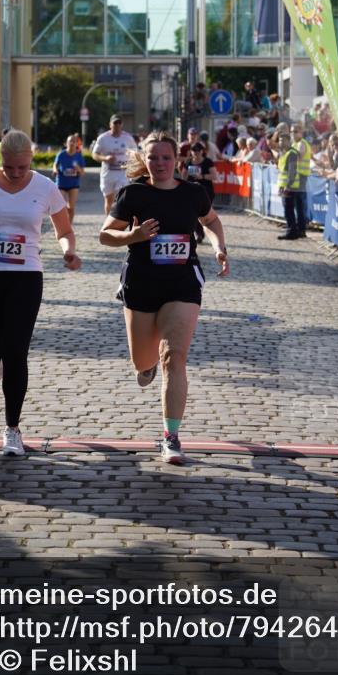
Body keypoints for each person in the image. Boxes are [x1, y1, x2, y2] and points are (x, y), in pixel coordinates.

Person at [0, 129, 82, 456]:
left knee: (16, 352)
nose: (17, 174)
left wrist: (68, 251)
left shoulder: (45, 187)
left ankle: (12, 429)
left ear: (31, 161)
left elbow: (64, 230)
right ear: (1, 160)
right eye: (10, 168)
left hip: (25, 277)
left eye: (23, 168)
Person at [99, 131, 229, 466]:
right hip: (142, 283)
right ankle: (147, 365)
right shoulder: (133, 194)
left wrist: (218, 246)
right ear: (145, 159)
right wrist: (134, 235)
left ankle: (171, 437)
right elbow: (105, 234)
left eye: (166, 158)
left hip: (182, 282)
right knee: (143, 361)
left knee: (175, 356)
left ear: (177, 160)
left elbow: (211, 220)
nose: (159, 163)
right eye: (153, 157)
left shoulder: (192, 193)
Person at [91, 115, 137, 215]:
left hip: (122, 173)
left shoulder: (128, 138)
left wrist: (131, 163)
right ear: (110, 124)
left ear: (122, 124)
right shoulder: (103, 138)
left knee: (120, 198)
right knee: (109, 199)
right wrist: (105, 158)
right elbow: (94, 154)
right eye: (115, 123)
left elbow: (135, 153)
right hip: (108, 173)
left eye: (119, 123)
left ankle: (118, 219)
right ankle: (109, 221)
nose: (117, 125)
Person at [277, 132, 307, 240]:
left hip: (291, 187)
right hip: (287, 186)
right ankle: (293, 230)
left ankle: (292, 231)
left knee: (289, 210)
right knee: (289, 210)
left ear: (288, 141)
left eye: (283, 140)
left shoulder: (291, 153)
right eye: (280, 140)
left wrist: (287, 186)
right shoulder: (284, 153)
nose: (281, 142)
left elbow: (292, 172)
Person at [53, 134, 86, 221]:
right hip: (61, 183)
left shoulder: (79, 156)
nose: (72, 143)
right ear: (66, 143)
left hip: (73, 184)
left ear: (76, 144)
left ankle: (69, 226)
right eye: (70, 141)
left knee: (71, 207)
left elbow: (82, 173)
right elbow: (55, 165)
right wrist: (55, 170)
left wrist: (78, 168)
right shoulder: (61, 154)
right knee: (61, 205)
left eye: (74, 141)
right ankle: (62, 223)